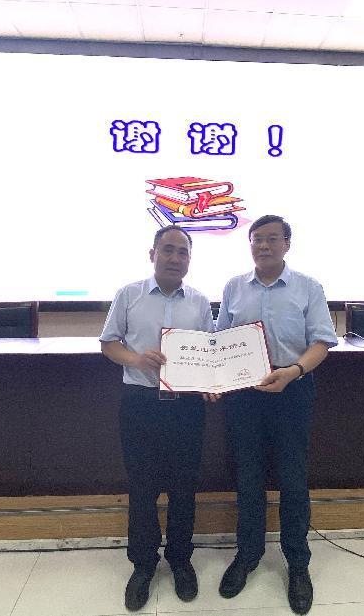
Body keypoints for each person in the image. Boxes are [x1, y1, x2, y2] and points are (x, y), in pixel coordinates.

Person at [215, 214, 337, 615]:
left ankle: (297, 563)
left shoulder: (308, 287)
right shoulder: (234, 287)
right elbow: (221, 342)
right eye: (256, 239)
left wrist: (293, 371)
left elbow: (321, 342)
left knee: (292, 479)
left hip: (292, 390)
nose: (263, 246)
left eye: (271, 239)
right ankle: (247, 555)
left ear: (287, 244)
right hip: (244, 395)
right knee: (248, 477)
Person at [100, 225, 214, 612]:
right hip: (140, 403)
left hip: (186, 406)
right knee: (142, 488)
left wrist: (210, 383)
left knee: (184, 488)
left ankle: (180, 560)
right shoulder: (129, 294)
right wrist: (137, 358)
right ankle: (143, 565)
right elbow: (109, 344)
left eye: (183, 252)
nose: (175, 258)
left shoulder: (199, 302)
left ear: (189, 260)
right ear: (152, 254)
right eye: (168, 250)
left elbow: (208, 354)